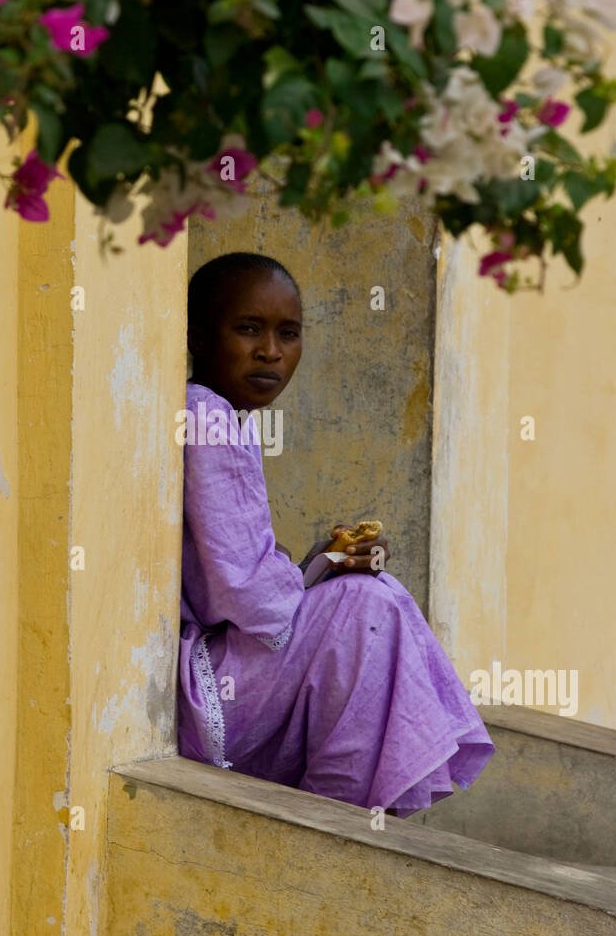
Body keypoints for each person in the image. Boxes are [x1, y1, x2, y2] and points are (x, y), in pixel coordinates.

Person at [177, 250, 494, 818]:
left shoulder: (220, 415)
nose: (270, 351)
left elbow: (244, 581)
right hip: (205, 692)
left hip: (216, 670)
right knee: (365, 604)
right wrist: (316, 575)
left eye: (288, 333)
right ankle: (339, 813)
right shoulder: (206, 416)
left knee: (371, 593)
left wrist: (322, 561)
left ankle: (348, 804)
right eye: (248, 328)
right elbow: (250, 601)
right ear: (198, 337)